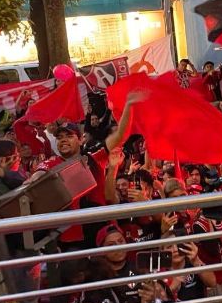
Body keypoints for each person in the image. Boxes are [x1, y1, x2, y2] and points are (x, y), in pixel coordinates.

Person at [25, 91, 145, 249]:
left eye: (68, 136)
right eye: (60, 138)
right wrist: (33, 181)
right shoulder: (52, 163)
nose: (63, 140)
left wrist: (128, 107)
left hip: (101, 231)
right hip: (70, 238)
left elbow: (118, 138)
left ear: (81, 139)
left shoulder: (93, 158)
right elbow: (37, 177)